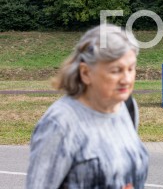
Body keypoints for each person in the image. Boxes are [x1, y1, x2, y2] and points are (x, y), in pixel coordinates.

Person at [26, 24, 149, 189]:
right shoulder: (59, 124)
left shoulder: (127, 106)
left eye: (131, 68)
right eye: (115, 70)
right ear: (85, 73)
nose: (126, 79)